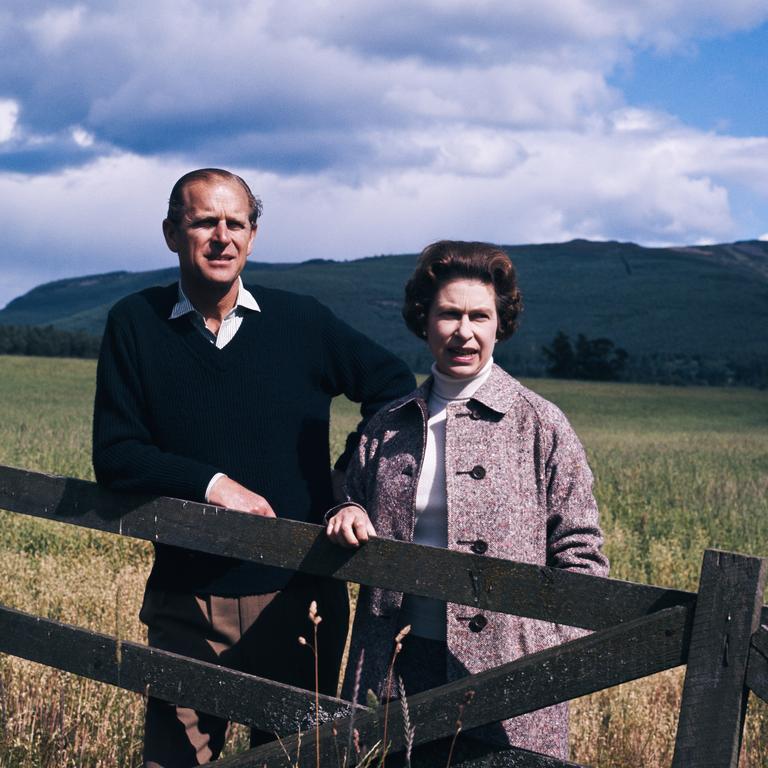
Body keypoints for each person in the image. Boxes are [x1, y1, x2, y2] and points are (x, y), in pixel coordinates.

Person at [92, 168, 415, 767]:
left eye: (234, 223)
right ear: (171, 233)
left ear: (253, 235)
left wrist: (347, 482)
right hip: (187, 598)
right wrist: (213, 486)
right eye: (203, 222)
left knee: (296, 762)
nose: (221, 237)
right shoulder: (134, 323)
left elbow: (394, 389)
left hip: (299, 598)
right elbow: (115, 452)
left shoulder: (302, 322)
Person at [326, 240, 608, 761]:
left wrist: (540, 664)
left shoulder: (540, 425)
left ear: (501, 322)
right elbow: (348, 498)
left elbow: (582, 557)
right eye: (449, 314)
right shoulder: (385, 427)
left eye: (480, 315)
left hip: (509, 682)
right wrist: (346, 510)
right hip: (393, 675)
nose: (464, 331)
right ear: (423, 320)